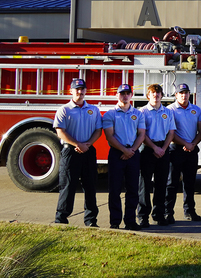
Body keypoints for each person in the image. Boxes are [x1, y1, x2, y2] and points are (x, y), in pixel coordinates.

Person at [53, 78, 102, 227]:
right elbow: (60, 131)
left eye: (82, 89)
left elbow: (98, 130)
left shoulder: (93, 110)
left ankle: (91, 220)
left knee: (90, 186)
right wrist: (77, 144)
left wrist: (88, 144)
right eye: (77, 89)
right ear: (71, 91)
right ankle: (61, 219)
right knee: (68, 185)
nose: (80, 92)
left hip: (88, 151)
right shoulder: (64, 110)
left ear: (86, 91)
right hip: (70, 152)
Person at [102, 84, 146, 230]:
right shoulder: (110, 114)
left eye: (128, 93)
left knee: (133, 189)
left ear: (131, 95)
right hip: (116, 153)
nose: (125, 96)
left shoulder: (138, 114)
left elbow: (141, 134)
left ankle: (130, 221)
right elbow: (109, 136)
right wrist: (124, 150)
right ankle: (115, 221)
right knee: (114, 189)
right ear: (117, 95)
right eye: (122, 93)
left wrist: (132, 150)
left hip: (133, 153)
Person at [165, 83, 201, 223]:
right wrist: (185, 143)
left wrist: (193, 144)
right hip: (175, 150)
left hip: (191, 151)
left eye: (186, 92)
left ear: (190, 94)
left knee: (190, 183)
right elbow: (171, 132)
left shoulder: (196, 110)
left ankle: (189, 211)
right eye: (181, 93)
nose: (184, 95)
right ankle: (168, 213)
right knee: (171, 183)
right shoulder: (170, 110)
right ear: (176, 95)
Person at [138, 84, 174, 228]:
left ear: (162, 95)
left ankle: (159, 215)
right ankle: (143, 216)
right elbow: (142, 134)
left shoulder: (168, 112)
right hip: (147, 149)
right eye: (153, 93)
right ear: (148, 95)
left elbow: (171, 132)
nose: (156, 95)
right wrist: (154, 148)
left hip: (163, 150)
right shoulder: (142, 112)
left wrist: (163, 149)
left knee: (161, 184)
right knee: (144, 185)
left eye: (158, 93)